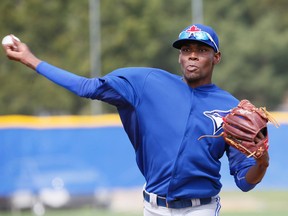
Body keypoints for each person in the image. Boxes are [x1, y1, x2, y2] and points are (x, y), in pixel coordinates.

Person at [3, 24, 269, 216]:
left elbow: (245, 182)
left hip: (201, 209)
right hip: (153, 208)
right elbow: (87, 87)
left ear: (216, 57)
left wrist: (262, 161)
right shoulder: (147, 84)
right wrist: (30, 59)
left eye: (201, 49)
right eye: (186, 48)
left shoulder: (231, 109)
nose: (192, 54)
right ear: (179, 55)